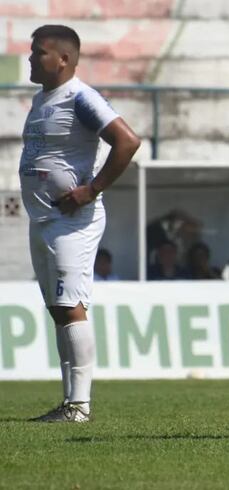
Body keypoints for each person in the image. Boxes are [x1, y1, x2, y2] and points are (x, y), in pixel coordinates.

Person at [21, 25, 141, 422]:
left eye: (38, 52)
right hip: (44, 219)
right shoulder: (43, 99)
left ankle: (79, 405)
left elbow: (127, 140)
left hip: (72, 221)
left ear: (64, 59)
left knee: (71, 305)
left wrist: (91, 189)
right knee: (59, 309)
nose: (30, 58)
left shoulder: (81, 97)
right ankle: (70, 401)